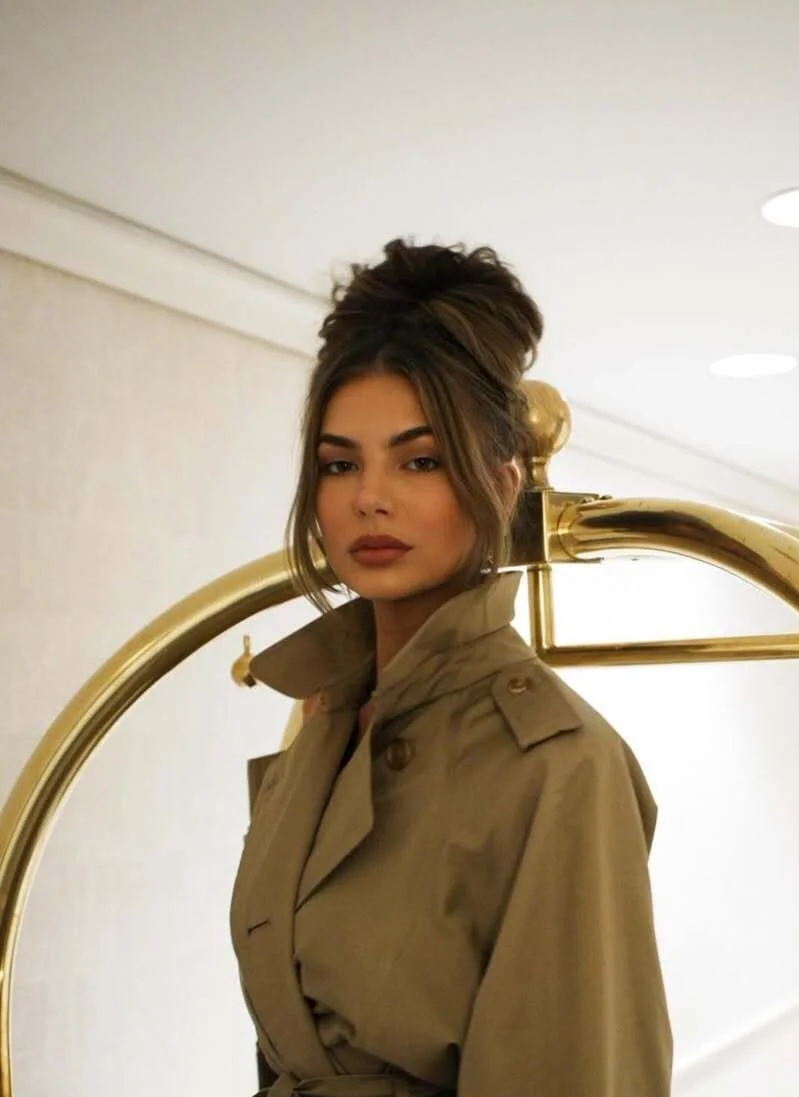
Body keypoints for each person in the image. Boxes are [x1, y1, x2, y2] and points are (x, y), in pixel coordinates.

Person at [229, 239, 673, 1097]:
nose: (370, 496)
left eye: (420, 460)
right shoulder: (320, 720)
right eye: (340, 464)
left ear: (500, 485)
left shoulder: (561, 764)